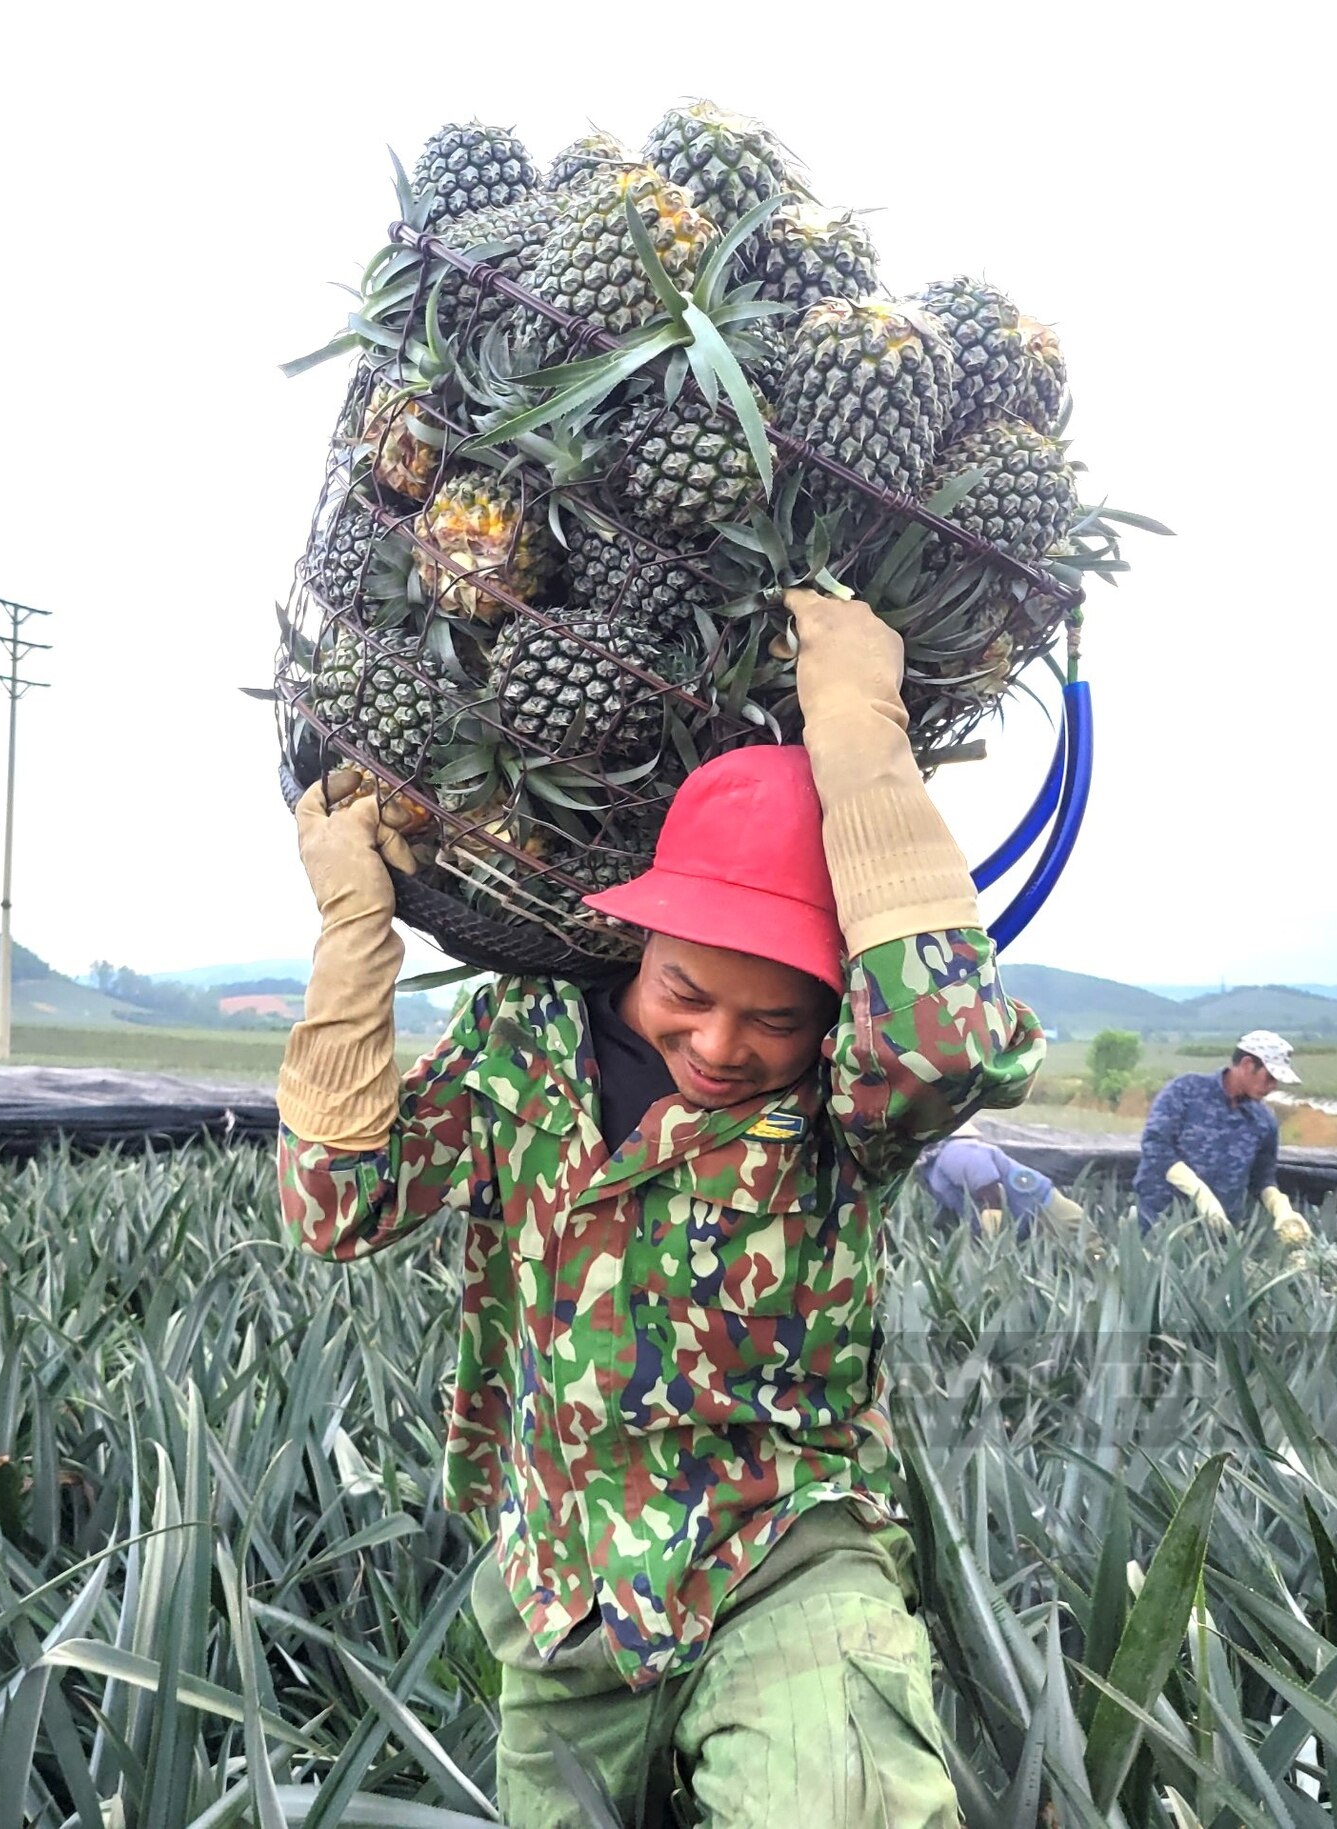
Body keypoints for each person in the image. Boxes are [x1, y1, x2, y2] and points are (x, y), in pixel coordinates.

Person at [277, 589, 1045, 1825]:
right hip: (565, 1579)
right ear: (638, 946)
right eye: (685, 989)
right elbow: (334, 1204)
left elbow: (945, 1044)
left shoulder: (843, 1110)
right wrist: (354, 930)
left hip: (781, 1551)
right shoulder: (516, 1045)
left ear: (828, 1013)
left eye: (777, 1015)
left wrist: (856, 733)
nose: (721, 1043)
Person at [1133, 1029, 1310, 1242]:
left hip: (1219, 1233)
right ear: (1247, 1065)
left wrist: (1281, 1208)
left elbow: (1261, 1178)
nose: (1272, 1087)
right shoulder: (1185, 1091)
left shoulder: (1263, 1120)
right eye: (1269, 1077)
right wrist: (1200, 1194)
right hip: (1162, 1224)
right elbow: (1155, 1145)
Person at [917, 1131, 1089, 1243]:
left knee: (1093, 1262)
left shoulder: (958, 1153)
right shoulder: (931, 1168)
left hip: (1051, 1217)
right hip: (1023, 1233)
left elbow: (991, 1196)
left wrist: (991, 1246)